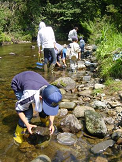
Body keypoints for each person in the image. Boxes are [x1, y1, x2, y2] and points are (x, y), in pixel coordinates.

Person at [11, 71, 62, 144]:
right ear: (40, 98)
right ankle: (18, 135)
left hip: (32, 80)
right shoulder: (29, 96)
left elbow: (52, 108)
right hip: (18, 83)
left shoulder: (51, 92)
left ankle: (45, 122)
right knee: (28, 113)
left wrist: (51, 123)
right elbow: (19, 109)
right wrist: (27, 124)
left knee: (45, 108)